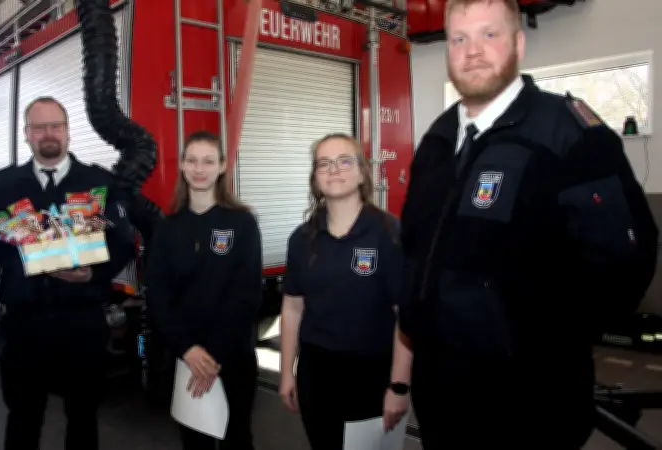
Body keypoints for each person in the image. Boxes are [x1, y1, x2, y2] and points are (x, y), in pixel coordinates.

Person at [398, 0, 659, 448]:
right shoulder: (438, 139)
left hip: (530, 401)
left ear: (518, 43)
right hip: (442, 392)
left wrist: (544, 343)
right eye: (459, 39)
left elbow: (625, 259)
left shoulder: (569, 132)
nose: (472, 51)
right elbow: (415, 244)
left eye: (489, 35)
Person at [0, 96, 135, 450]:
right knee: (23, 420)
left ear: (68, 132)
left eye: (55, 125)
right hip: (25, 326)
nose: (48, 134)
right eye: (39, 127)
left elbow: (123, 243)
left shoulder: (98, 184)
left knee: (83, 419)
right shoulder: (4, 186)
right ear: (27, 135)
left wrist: (93, 275)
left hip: (82, 323)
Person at [278, 133, 412, 449]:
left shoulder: (389, 234)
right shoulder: (302, 238)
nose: (334, 170)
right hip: (317, 372)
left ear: (363, 171)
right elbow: (292, 308)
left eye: (344, 161)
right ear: (314, 177)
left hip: (373, 373)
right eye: (324, 164)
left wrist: (399, 386)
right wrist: (287, 373)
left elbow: (406, 315)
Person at [144, 130, 263, 450]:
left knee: (237, 439)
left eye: (208, 161)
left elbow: (247, 295)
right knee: (194, 442)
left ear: (222, 166)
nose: (200, 169)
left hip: (233, 358)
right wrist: (189, 350)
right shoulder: (168, 228)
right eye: (192, 161)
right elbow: (158, 295)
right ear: (182, 166)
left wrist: (213, 356)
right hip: (185, 357)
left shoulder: (242, 223)